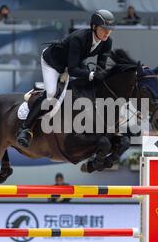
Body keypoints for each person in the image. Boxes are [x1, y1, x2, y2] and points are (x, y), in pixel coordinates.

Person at [16, 9, 114, 148]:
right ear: (94, 27)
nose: (107, 32)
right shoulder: (78, 38)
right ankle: (25, 129)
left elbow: (101, 67)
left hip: (73, 62)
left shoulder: (107, 42)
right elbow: (73, 70)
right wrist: (91, 75)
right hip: (53, 62)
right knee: (51, 95)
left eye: (109, 29)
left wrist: (100, 77)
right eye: (104, 29)